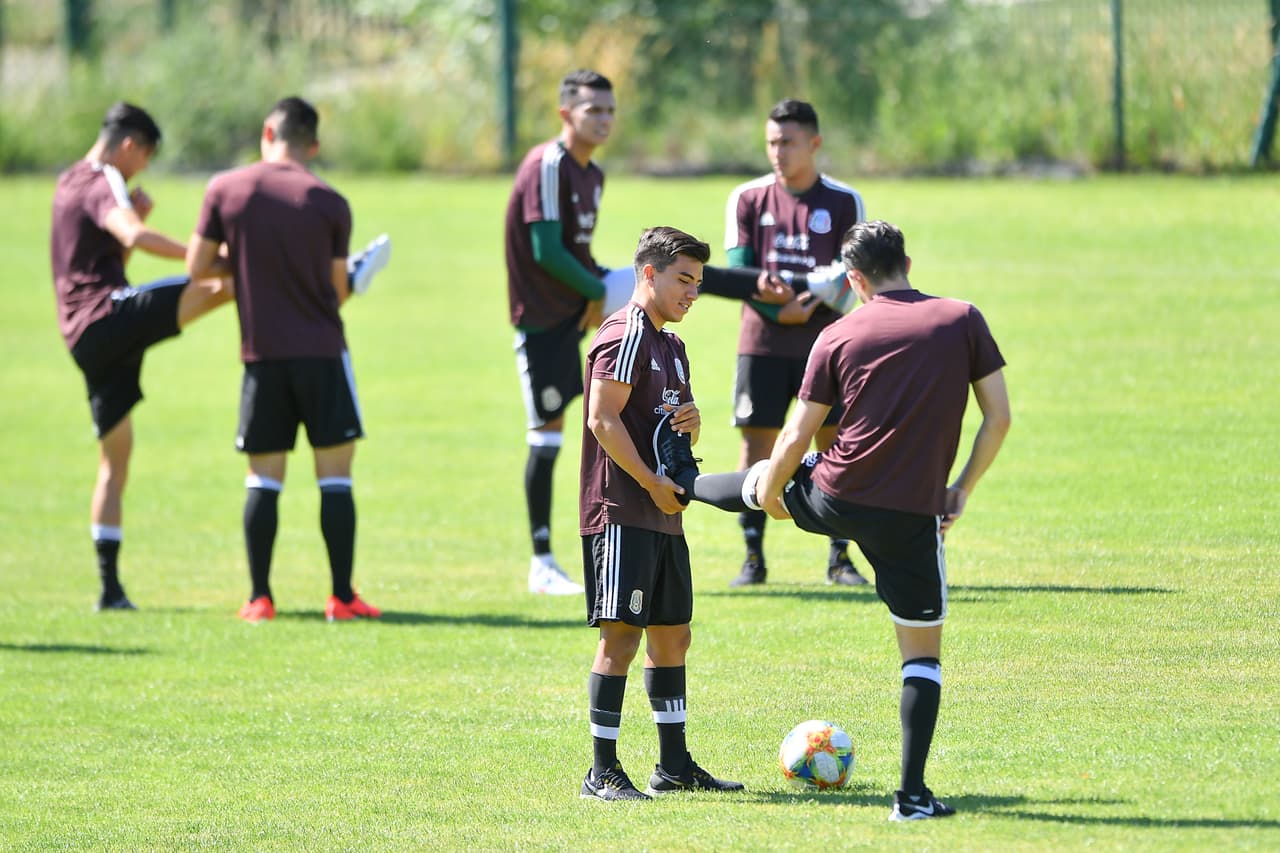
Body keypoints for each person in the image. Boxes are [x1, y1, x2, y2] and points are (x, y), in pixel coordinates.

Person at [657, 221, 1012, 820]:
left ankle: (680, 481)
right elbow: (998, 418)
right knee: (921, 656)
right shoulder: (963, 319)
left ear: (854, 279)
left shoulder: (839, 331)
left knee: (762, 479)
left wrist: (770, 489)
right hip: (913, 513)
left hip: (836, 495)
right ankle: (913, 798)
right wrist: (960, 490)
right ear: (905, 261)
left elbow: (797, 432)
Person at [186, 96, 385, 623]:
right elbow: (338, 290)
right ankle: (342, 597)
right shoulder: (329, 201)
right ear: (313, 145)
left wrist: (250, 258)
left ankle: (259, 598)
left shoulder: (224, 190)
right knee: (335, 476)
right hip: (322, 354)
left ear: (266, 133)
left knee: (263, 478)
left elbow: (196, 266)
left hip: (262, 355)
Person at [578, 226, 744, 801]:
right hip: (623, 511)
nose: (692, 292)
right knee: (621, 639)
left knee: (673, 636)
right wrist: (650, 483)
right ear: (647, 274)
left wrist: (689, 424)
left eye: (698, 282)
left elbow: (656, 425)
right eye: (683, 279)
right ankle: (601, 773)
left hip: (662, 513)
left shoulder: (671, 347)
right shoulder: (625, 334)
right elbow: (603, 419)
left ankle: (673, 765)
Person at [50, 101, 234, 611]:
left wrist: (137, 222)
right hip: (105, 318)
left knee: (115, 461)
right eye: (146, 156)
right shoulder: (102, 177)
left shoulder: (66, 181)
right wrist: (207, 256)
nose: (143, 168)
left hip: (84, 338)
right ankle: (335, 279)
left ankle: (110, 590)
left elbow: (106, 259)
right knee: (224, 280)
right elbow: (131, 235)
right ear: (130, 145)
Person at [723, 98, 867, 588]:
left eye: (787, 142)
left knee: (834, 447)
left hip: (824, 347)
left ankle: (839, 557)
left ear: (815, 144)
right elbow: (740, 270)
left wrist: (825, 304)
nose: (777, 152)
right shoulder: (747, 199)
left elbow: (857, 275)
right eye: (771, 142)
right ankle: (753, 557)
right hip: (760, 344)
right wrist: (776, 310)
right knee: (757, 447)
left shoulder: (844, 202)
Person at [504, 69, 617, 596]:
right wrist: (596, 292)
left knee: (676, 285)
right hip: (542, 322)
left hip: (573, 314)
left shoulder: (593, 173)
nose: (604, 119)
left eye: (610, 110)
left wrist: (594, 288)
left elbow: (577, 248)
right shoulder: (548, 164)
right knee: (546, 434)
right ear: (565, 113)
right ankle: (542, 561)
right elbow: (547, 251)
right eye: (593, 110)